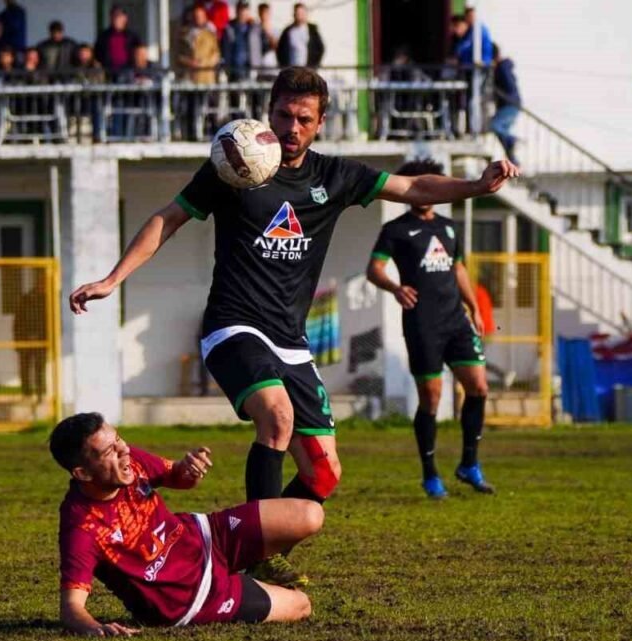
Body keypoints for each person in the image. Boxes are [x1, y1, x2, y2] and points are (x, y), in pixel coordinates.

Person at [69, 67, 517, 584]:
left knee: (324, 472)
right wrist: (113, 278)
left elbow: (413, 185)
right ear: (269, 112)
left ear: (320, 122)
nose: (291, 127)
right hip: (234, 327)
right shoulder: (234, 164)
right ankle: (258, 552)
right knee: (277, 418)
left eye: (304, 119)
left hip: (292, 340)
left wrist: (477, 185)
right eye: (283, 115)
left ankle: (239, 549)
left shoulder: (335, 176)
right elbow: (167, 218)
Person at [52, 413, 322, 634]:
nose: (124, 450)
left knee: (310, 515)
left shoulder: (128, 461)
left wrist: (188, 469)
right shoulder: (83, 528)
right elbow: (71, 608)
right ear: (82, 473)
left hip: (205, 536)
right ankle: (247, 586)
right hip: (193, 596)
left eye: (119, 439)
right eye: (110, 450)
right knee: (302, 604)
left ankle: (256, 570)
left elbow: (176, 476)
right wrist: (95, 628)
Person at [366, 158, 494, 500]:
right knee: (432, 397)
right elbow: (374, 269)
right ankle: (430, 474)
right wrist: (395, 288)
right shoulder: (395, 230)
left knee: (478, 386)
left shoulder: (448, 228)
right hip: (422, 324)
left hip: (456, 320)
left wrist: (474, 307)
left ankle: (469, 463)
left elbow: (458, 269)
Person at [489, 45, 521, 165]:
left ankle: (512, 140)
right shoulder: (502, 67)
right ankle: (514, 162)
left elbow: (509, 86)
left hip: (509, 104)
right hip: (509, 104)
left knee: (495, 125)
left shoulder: (502, 68)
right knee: (503, 136)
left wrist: (497, 92)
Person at [95, 5, 143, 77]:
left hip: (129, 72)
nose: (116, 19)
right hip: (109, 72)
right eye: (114, 16)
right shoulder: (103, 36)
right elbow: (97, 55)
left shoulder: (133, 36)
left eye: (119, 16)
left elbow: (140, 53)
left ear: (125, 18)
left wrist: (139, 72)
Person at [223, 0, 263, 80]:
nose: (243, 13)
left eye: (245, 10)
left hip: (251, 69)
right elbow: (224, 48)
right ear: (236, 11)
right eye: (241, 10)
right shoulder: (229, 27)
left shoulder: (255, 27)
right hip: (234, 69)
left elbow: (263, 45)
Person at [277, 4, 324, 68]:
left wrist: (315, 65)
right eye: (298, 14)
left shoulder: (312, 30)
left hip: (307, 69)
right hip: (292, 68)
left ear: (306, 14)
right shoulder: (288, 31)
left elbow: (320, 48)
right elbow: (280, 50)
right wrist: (283, 66)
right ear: (294, 14)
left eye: (302, 14)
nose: (299, 16)